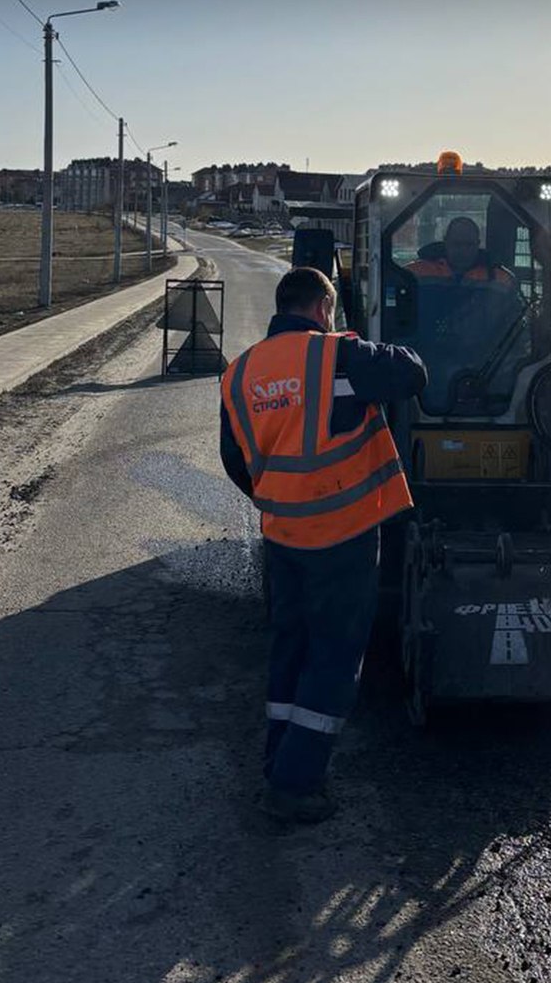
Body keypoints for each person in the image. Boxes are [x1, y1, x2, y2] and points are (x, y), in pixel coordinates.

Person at [219, 266, 427, 823]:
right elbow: (411, 372)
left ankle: (278, 761)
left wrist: (281, 498)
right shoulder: (336, 355)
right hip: (342, 535)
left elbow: (235, 459)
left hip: (283, 536)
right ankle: (294, 786)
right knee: (334, 657)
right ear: (322, 309)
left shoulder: (240, 374)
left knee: (292, 648)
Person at [405, 216, 515, 286]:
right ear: (446, 242)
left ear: (478, 244)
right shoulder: (414, 272)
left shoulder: (500, 278)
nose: (463, 250)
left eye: (469, 244)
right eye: (457, 244)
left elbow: (514, 312)